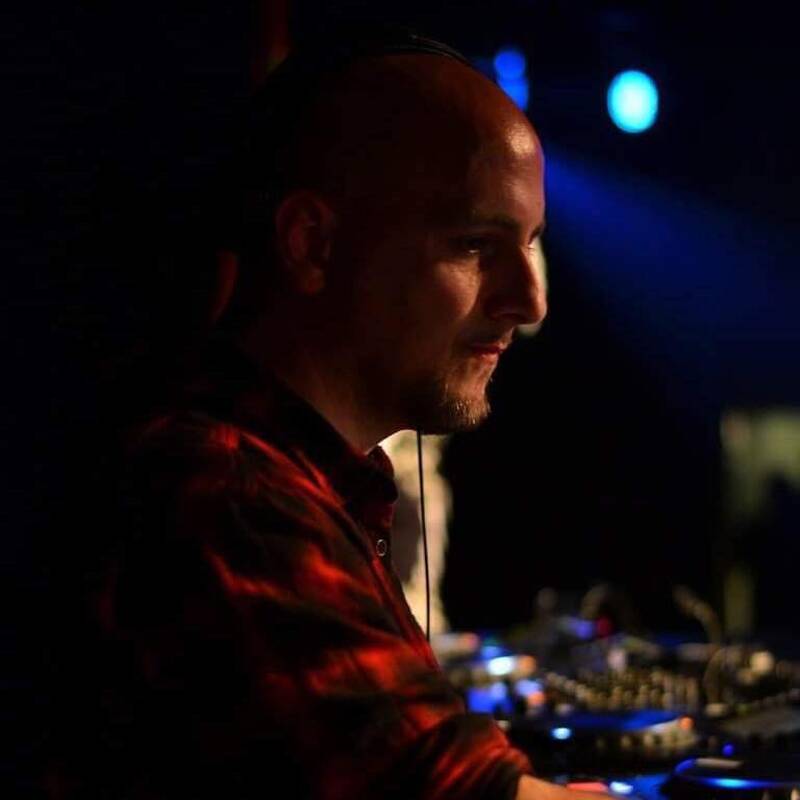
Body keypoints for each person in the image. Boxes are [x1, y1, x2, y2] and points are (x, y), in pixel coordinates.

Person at [47, 28, 603, 800]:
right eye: (476, 244)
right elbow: (445, 790)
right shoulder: (226, 495)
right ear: (312, 244)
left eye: (532, 244)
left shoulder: (305, 483)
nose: (530, 302)